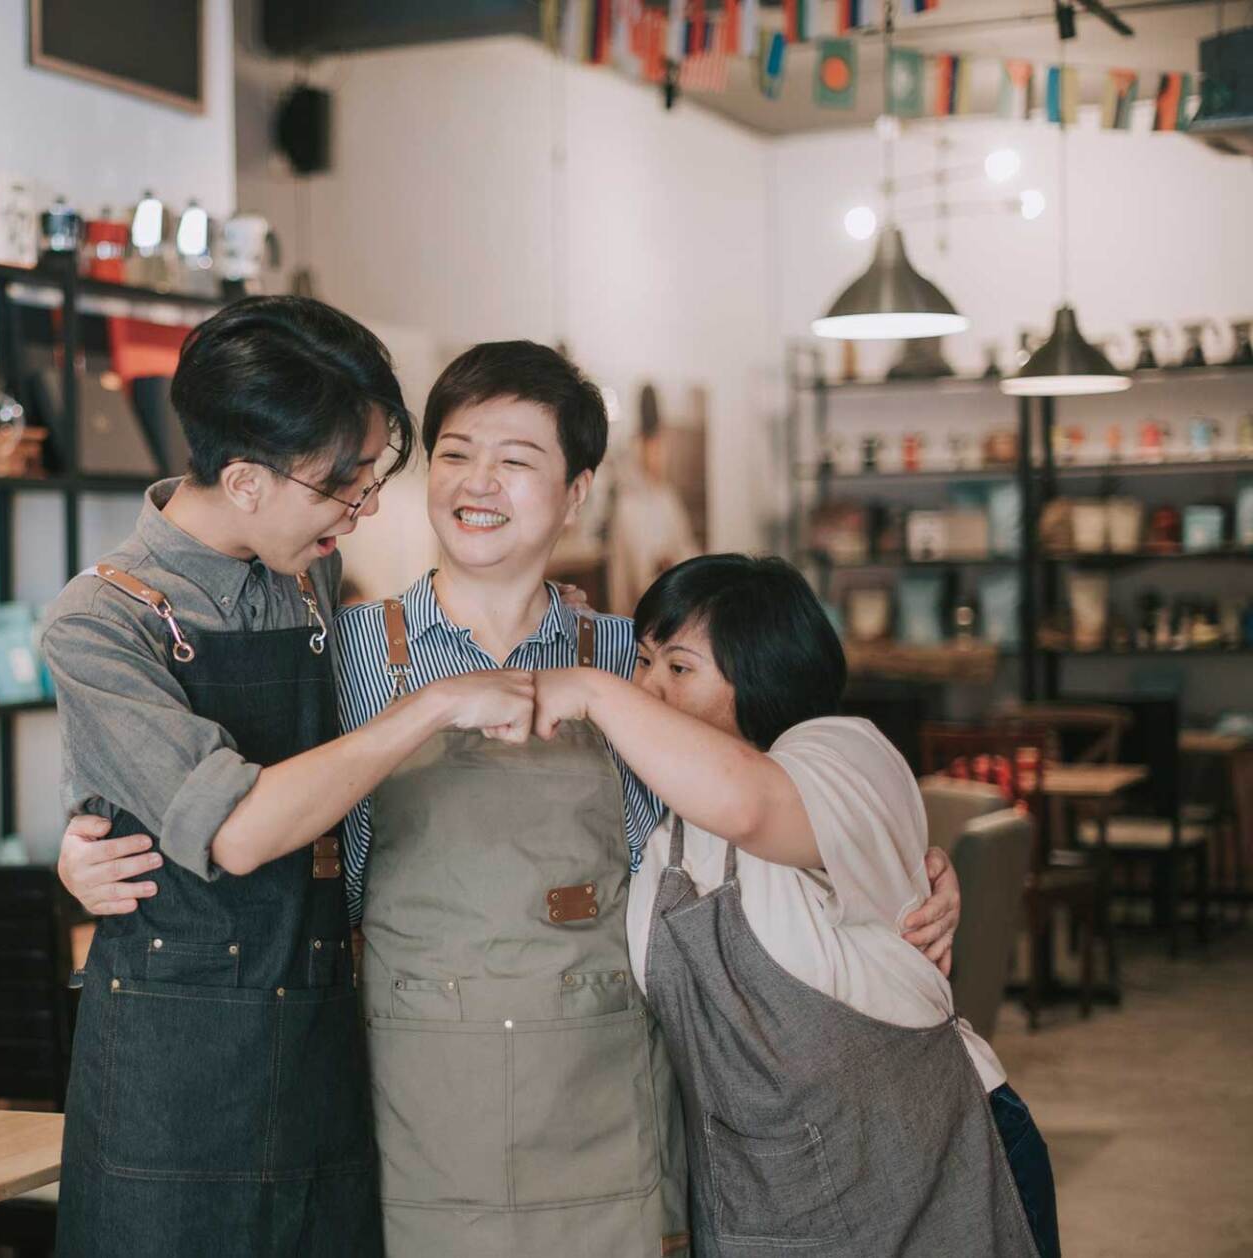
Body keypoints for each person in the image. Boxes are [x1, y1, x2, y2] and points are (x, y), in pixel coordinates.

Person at [61, 340, 963, 1256]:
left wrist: (908, 874)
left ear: (576, 493)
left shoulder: (633, 660)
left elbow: (781, 797)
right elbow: (237, 793)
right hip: (415, 1108)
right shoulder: (335, 650)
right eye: (454, 454)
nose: (477, 482)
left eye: (516, 461)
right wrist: (86, 840)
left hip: (612, 1101)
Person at [40, 297, 538, 1258]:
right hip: (177, 1063)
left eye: (373, 475)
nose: (364, 509)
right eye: (343, 486)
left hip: (315, 1026)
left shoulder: (302, 571)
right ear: (244, 479)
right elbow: (236, 829)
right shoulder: (102, 623)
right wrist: (431, 709)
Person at [530, 554, 1059, 1258]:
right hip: (770, 1207)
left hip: (937, 1161)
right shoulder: (663, 824)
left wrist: (593, 690)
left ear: (763, 674)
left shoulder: (844, 753)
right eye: (645, 661)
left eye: (679, 669)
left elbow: (751, 803)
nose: (649, 686)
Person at [607, 383, 698, 615]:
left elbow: (688, 550)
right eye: (653, 448)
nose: (660, 456)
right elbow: (632, 580)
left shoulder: (667, 498)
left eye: (662, 447)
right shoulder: (628, 507)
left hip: (677, 607)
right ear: (640, 448)